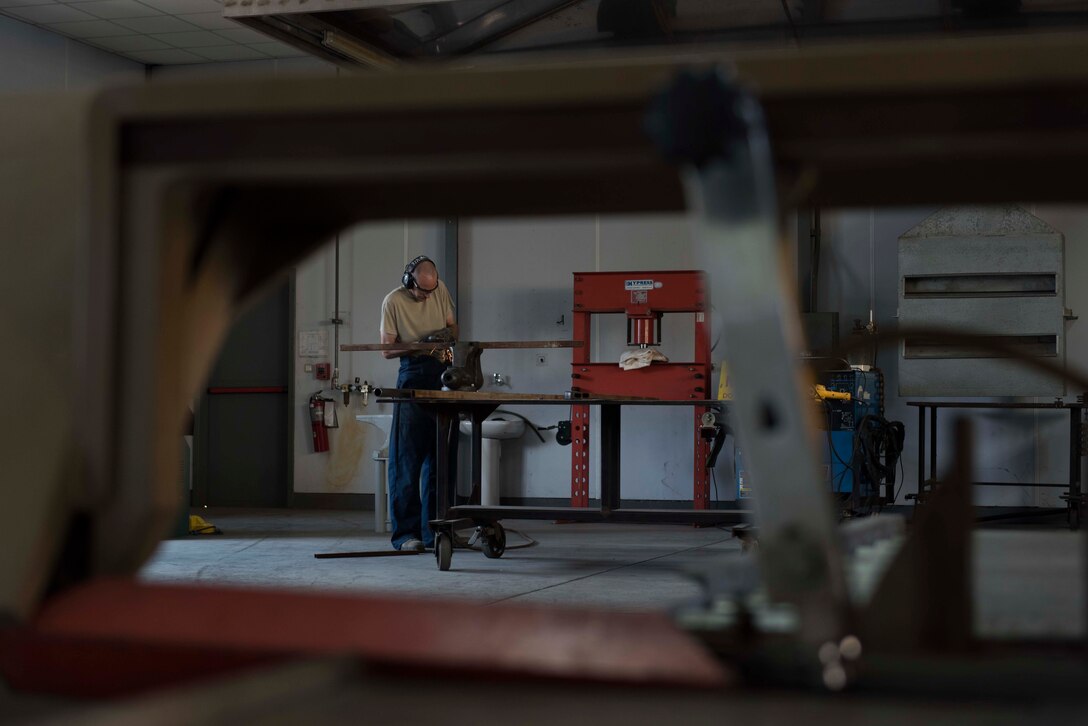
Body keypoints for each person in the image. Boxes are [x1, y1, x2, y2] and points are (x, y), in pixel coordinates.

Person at [380, 255, 458, 552]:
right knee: (406, 461)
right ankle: (405, 535)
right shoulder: (393, 301)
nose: (428, 297)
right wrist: (421, 343)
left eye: (431, 291)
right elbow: (386, 350)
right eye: (422, 292)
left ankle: (436, 531)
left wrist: (444, 336)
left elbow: (454, 328)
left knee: (440, 459)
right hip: (412, 372)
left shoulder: (439, 289)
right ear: (407, 281)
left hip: (442, 373)